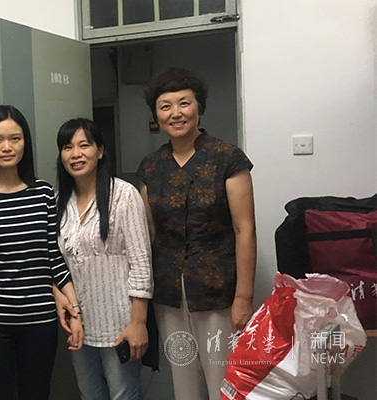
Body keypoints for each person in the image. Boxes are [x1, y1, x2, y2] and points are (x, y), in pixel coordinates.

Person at [136, 68, 257, 400]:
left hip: (218, 292)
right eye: (165, 106)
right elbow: (148, 232)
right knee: (184, 382)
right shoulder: (150, 167)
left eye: (184, 103)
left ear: (198, 108)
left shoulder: (227, 158)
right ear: (156, 115)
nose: (175, 113)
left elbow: (245, 229)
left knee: (223, 380)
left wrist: (243, 298)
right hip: (169, 293)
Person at [0, 105, 83, 400]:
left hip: (40, 321)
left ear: (25, 142)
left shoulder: (43, 194)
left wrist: (75, 310)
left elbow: (53, 257)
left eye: (15, 138)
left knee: (36, 394)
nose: (7, 147)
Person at [54, 118, 153, 400]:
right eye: (68, 147)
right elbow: (56, 262)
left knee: (124, 395)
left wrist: (138, 322)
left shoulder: (123, 195)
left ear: (99, 151)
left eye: (84, 145)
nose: (76, 154)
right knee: (89, 394)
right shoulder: (60, 201)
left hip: (120, 323)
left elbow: (141, 262)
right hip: (80, 324)